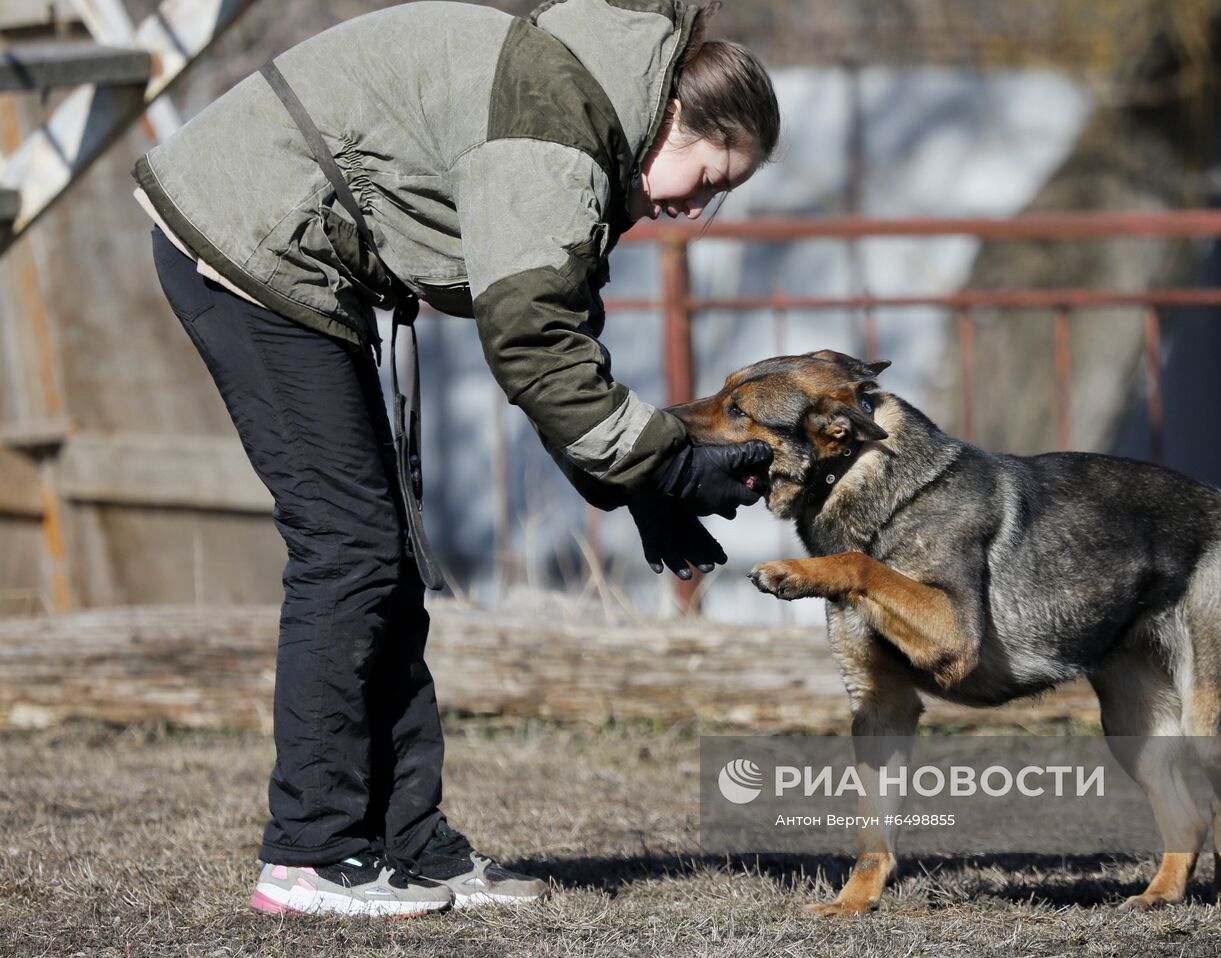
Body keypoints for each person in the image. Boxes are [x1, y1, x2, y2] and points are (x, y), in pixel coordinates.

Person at [135, 0, 779, 917]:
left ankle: (410, 847)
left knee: (381, 553)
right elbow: (534, 347)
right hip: (251, 240)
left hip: (288, 251)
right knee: (348, 549)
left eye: (720, 196)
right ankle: (312, 855)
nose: (696, 206)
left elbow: (564, 345)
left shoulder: (585, 115)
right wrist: (671, 467)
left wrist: (639, 487)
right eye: (708, 175)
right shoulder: (560, 123)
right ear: (673, 114)